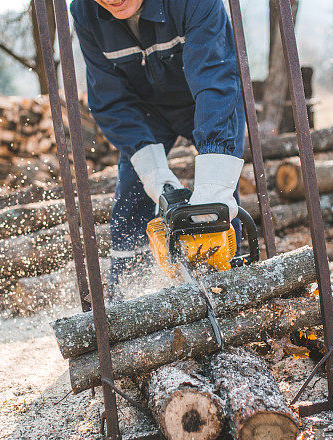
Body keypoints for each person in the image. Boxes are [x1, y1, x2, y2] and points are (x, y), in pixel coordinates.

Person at [70, 0, 246, 299]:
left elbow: (215, 79)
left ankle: (230, 280)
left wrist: (212, 188)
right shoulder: (84, 11)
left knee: (219, 195)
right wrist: (153, 173)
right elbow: (110, 97)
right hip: (146, 111)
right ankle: (125, 293)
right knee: (131, 196)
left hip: (202, 99)